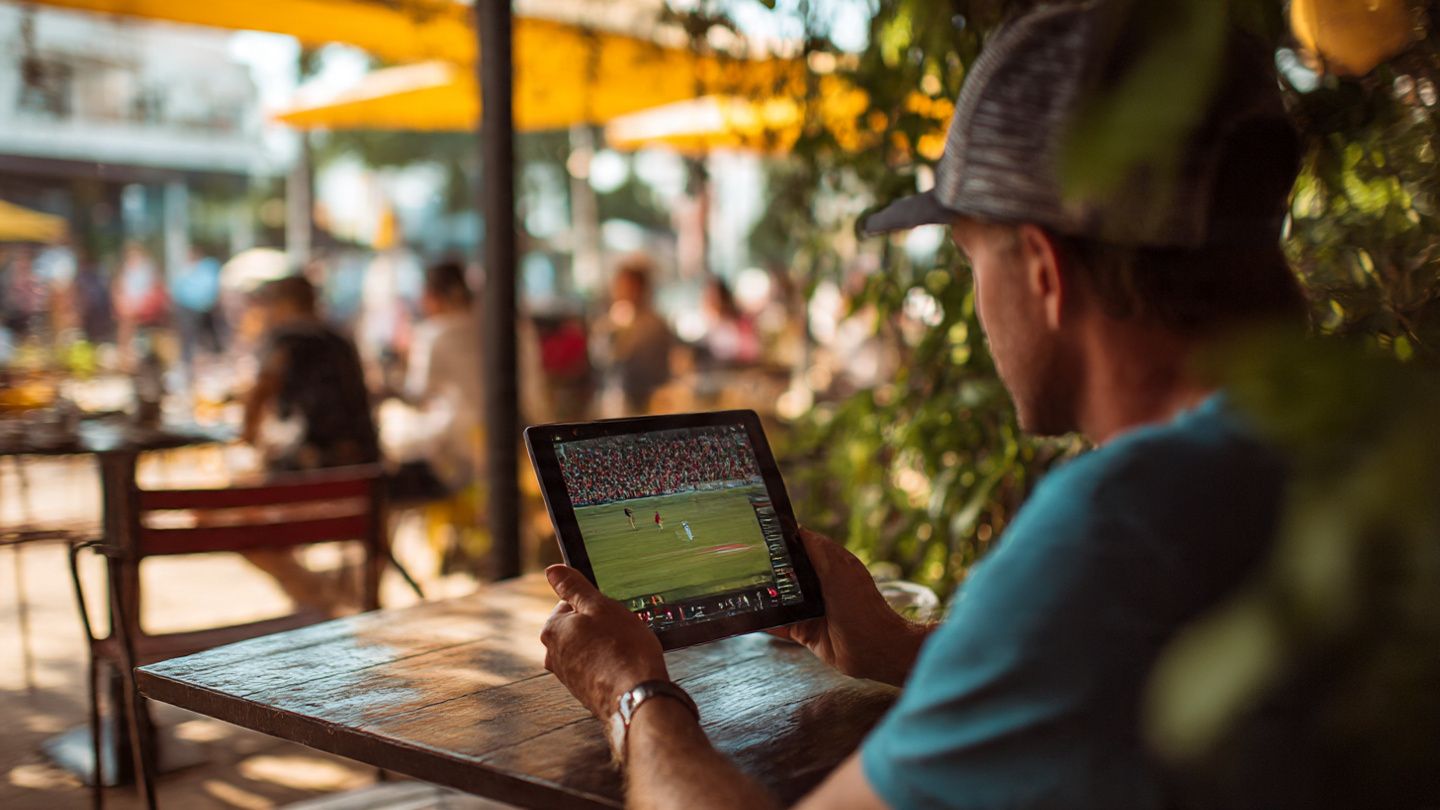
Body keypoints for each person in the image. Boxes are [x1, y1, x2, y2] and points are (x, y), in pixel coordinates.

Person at [539, 4, 1312, 810]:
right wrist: (902, 650)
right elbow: (1110, 665)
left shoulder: (1126, 525)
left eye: (970, 256)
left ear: (1043, 270)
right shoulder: (1346, 450)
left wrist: (630, 692)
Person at [241, 275, 380, 613]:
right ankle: (327, 599)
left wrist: (246, 436)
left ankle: (319, 599)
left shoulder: (285, 337)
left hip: (308, 478)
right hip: (364, 483)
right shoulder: (340, 340)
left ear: (283, 305)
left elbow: (262, 390)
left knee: (224, 522)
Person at [385, 261, 484, 501]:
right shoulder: (493, 327)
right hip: (499, 432)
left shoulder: (432, 334)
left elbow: (418, 393)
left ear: (431, 295)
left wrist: (390, 386)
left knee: (391, 428)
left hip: (455, 442)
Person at [601, 255, 675, 414]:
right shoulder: (621, 319)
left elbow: (631, 361)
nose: (618, 290)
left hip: (651, 399)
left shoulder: (652, 324)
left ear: (639, 288)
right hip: (627, 396)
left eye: (623, 285)